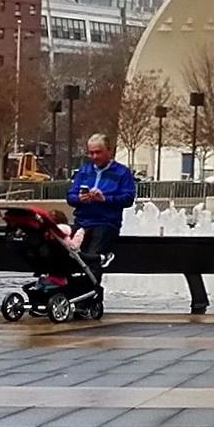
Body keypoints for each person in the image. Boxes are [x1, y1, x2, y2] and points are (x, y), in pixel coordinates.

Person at [67, 134, 136, 314]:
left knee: (92, 256)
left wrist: (105, 198)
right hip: (83, 220)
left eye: (98, 152)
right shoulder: (84, 171)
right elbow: (71, 196)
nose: (94, 157)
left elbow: (128, 198)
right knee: (67, 252)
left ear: (109, 151)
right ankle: (68, 293)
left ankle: (87, 299)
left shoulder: (122, 173)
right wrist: (80, 198)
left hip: (106, 222)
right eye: (91, 153)